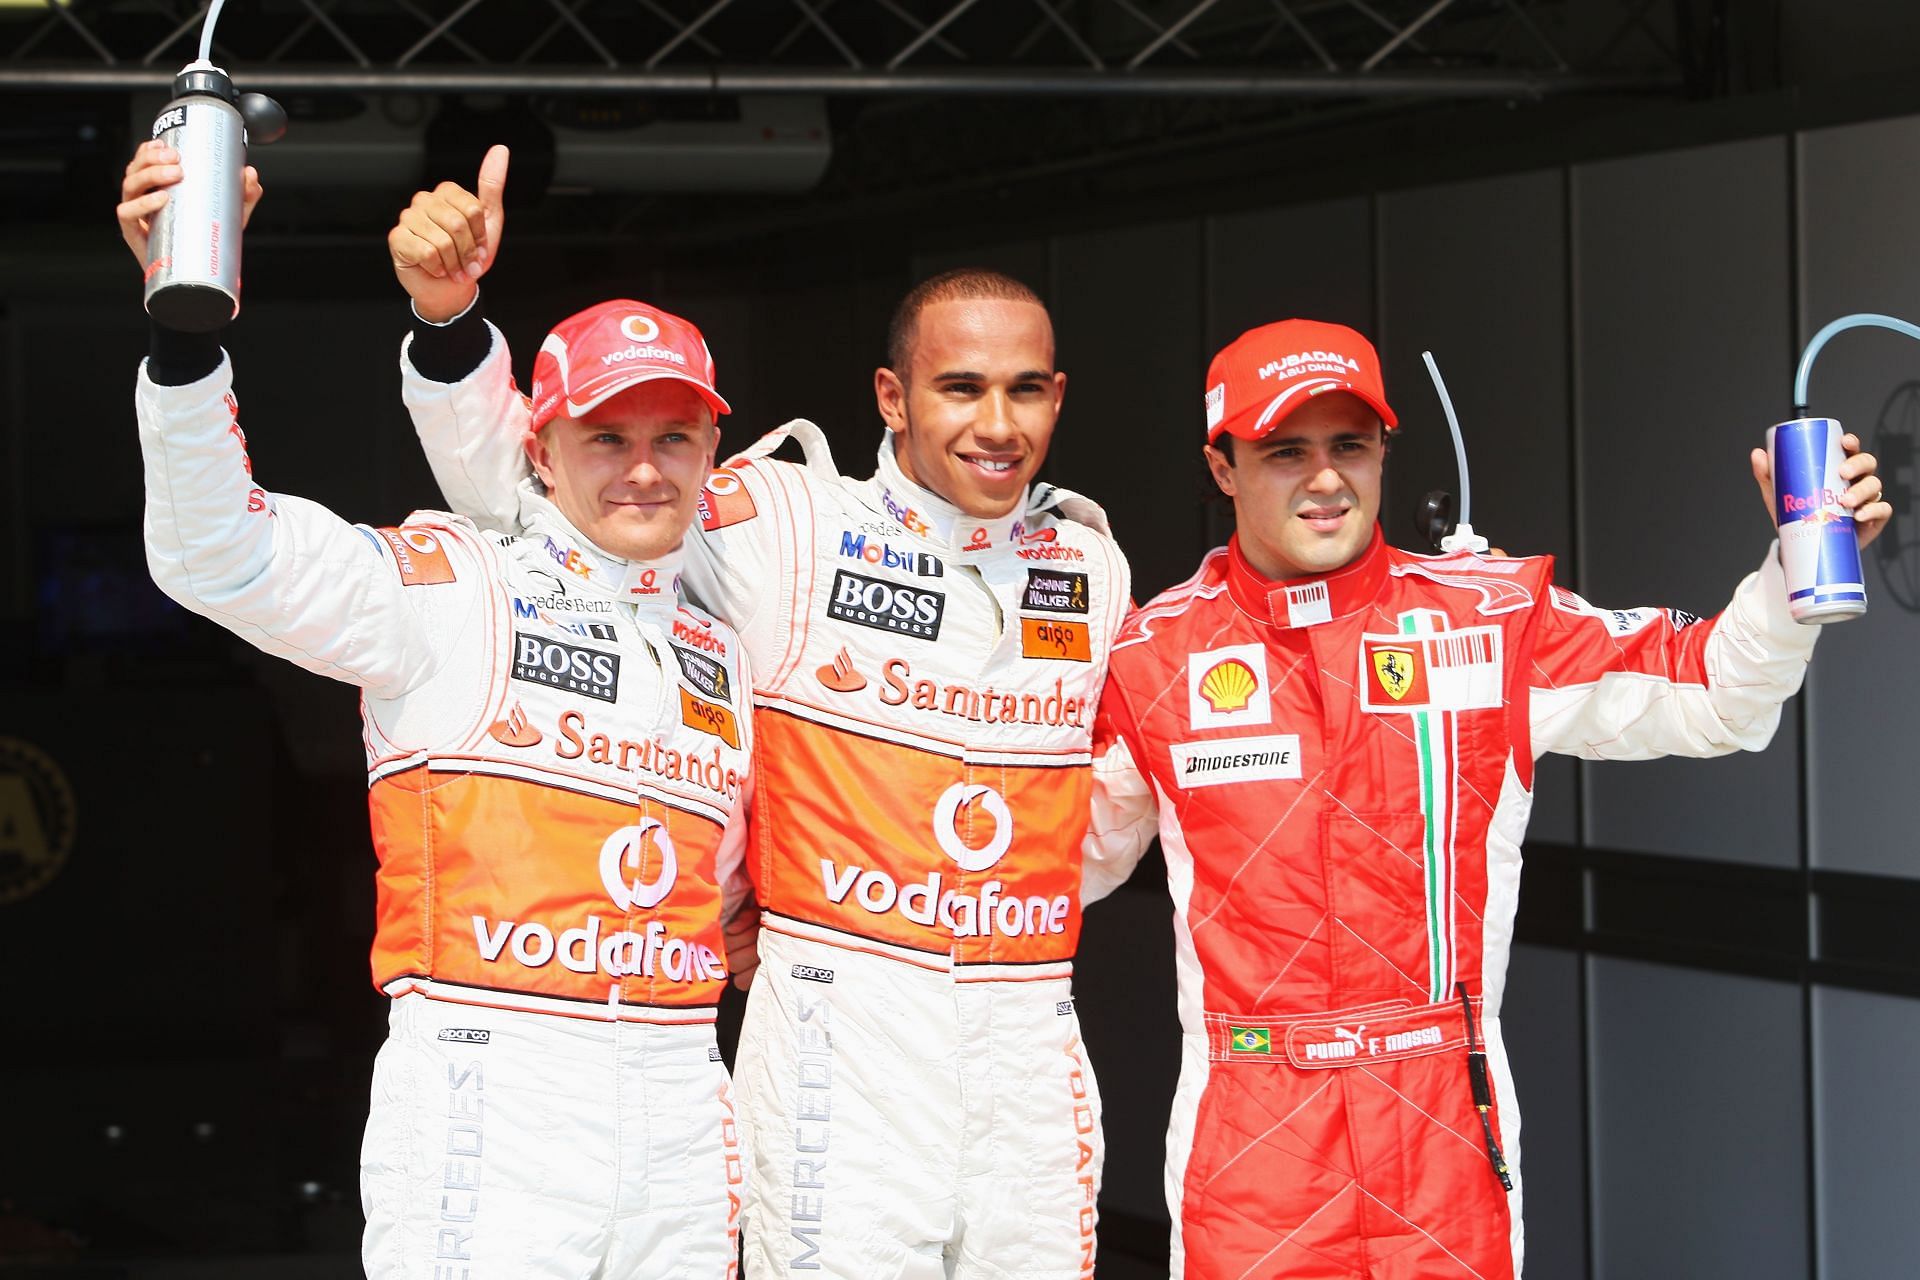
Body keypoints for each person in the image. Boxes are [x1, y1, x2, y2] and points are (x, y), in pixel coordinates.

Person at [388, 148, 1145, 1278]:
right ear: (892, 396)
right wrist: (452, 333)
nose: (999, 422)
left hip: (1027, 1023)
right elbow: (549, 506)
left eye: (1025, 389)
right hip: (845, 1015)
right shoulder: (786, 516)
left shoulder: (1089, 562)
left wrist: (1001, 901)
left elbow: (1118, 797)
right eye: (961, 388)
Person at [1080, 318, 1892, 1279]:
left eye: (1350, 445)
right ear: (1222, 467)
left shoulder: (1492, 617)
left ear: (1385, 449)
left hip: (1442, 1127)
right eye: (1284, 452)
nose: (1326, 478)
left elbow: (1711, 690)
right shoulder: (1150, 656)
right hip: (1255, 1140)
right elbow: (1053, 868)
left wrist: (1796, 562)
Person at [120, 142, 755, 1278]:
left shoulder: (719, 641)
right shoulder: (453, 583)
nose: (645, 470)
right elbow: (217, 551)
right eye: (607, 436)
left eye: (674, 437)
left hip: (678, 1097)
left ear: (713, 449)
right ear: (542, 451)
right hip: (493, 1091)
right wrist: (184, 328)